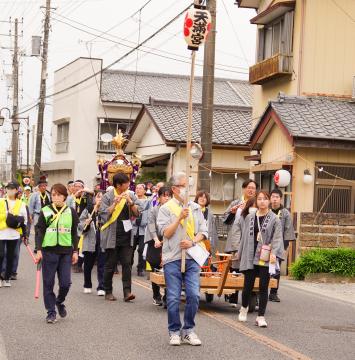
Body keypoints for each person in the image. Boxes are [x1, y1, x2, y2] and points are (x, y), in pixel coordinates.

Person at [157, 172, 208, 346]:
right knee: (173, 297)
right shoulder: (166, 208)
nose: (187, 189)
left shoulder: (195, 207)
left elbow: (203, 232)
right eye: (183, 186)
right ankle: (174, 330)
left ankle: (188, 330)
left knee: (193, 295)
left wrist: (192, 241)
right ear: (174, 189)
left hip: (192, 256)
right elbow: (165, 233)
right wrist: (179, 218)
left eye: (189, 186)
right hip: (172, 257)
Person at [237, 190, 284, 328]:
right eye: (259, 199)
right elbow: (244, 237)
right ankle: (244, 308)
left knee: (264, 287)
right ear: (256, 201)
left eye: (265, 199)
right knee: (247, 286)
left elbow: (277, 238)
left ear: (269, 201)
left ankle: (261, 316)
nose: (262, 201)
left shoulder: (275, 218)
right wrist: (239, 252)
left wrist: (274, 253)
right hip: (250, 256)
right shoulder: (250, 217)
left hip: (265, 256)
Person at [35, 183, 79, 324]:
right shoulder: (45, 210)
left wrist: (75, 251)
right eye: (53, 195)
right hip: (49, 251)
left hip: (66, 251)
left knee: (65, 283)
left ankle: (59, 301)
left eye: (58, 194)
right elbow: (40, 231)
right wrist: (39, 250)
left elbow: (74, 233)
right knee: (48, 283)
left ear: (65, 196)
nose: (55, 197)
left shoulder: (71, 211)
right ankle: (51, 312)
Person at [99, 173, 140, 302]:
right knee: (110, 264)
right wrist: (115, 203)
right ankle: (108, 291)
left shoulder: (131, 194)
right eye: (126, 183)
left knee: (127, 264)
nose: (129, 185)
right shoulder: (108, 196)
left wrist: (130, 202)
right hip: (112, 234)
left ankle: (127, 292)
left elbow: (137, 213)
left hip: (127, 235)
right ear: (118, 185)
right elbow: (103, 214)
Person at [144, 186, 171, 306]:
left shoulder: (173, 210)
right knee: (155, 265)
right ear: (159, 197)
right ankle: (156, 294)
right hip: (155, 240)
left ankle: (167, 295)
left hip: (169, 241)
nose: (167, 198)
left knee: (169, 267)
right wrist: (155, 240)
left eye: (169, 195)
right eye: (164, 195)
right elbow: (151, 226)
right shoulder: (154, 210)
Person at [269, 188, 296, 302]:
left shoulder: (285, 213)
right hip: (264, 244)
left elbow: (288, 230)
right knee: (262, 269)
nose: (274, 199)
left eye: (277, 197)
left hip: (278, 245)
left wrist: (284, 248)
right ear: (269, 198)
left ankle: (273, 292)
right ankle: (260, 291)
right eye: (273, 197)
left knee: (276, 269)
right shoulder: (266, 210)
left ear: (281, 199)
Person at [0, 181, 28, 287]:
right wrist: (7, 215)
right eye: (8, 188)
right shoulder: (1, 201)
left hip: (14, 234)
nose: (9, 190)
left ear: (17, 190)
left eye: (12, 188)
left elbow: (24, 220)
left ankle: (7, 278)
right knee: (1, 255)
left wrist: (24, 234)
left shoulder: (21, 204)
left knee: (11, 256)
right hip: (1, 233)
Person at [79, 190, 105, 296]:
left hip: (102, 240)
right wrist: (86, 223)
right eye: (99, 197)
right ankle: (87, 285)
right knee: (88, 265)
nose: (100, 199)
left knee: (102, 265)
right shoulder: (89, 210)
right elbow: (80, 224)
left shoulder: (106, 211)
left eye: (103, 197)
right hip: (90, 239)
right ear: (94, 199)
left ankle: (101, 286)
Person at [132, 183, 149, 276]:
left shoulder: (149, 201)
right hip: (133, 228)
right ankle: (129, 266)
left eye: (140, 188)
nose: (138, 190)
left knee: (142, 249)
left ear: (145, 191)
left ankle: (140, 268)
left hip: (143, 229)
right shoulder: (131, 200)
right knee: (131, 249)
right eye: (136, 188)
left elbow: (150, 214)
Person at [194, 190, 218, 254]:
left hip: (206, 243)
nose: (202, 199)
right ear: (197, 198)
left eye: (205, 197)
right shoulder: (191, 211)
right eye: (201, 196)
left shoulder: (210, 215)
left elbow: (213, 232)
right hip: (194, 242)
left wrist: (212, 247)